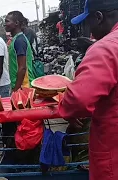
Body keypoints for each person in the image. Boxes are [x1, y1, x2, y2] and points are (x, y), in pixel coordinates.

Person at [58, 0, 118, 179]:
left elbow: (78, 100)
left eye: (88, 22)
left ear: (98, 17)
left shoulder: (105, 48)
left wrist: (67, 108)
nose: (89, 30)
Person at [4, 11, 35, 92]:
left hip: (23, 87)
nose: (5, 24)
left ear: (16, 23)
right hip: (19, 85)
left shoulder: (20, 40)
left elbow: (22, 68)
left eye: (7, 21)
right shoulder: (15, 39)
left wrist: (16, 90)